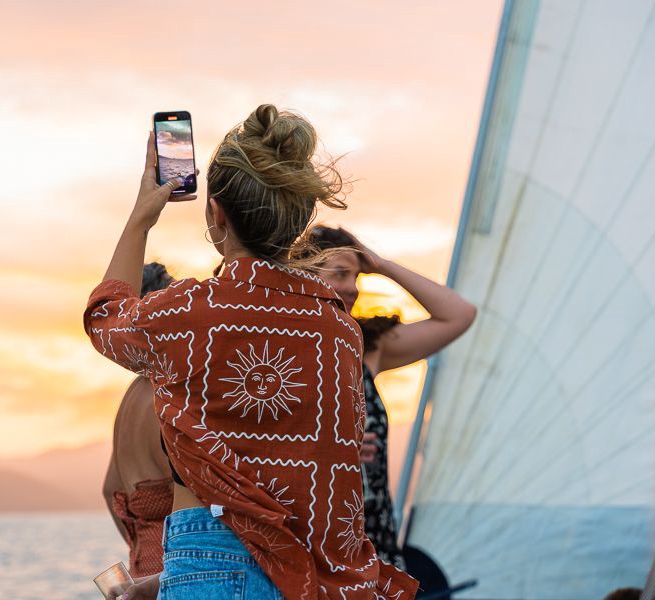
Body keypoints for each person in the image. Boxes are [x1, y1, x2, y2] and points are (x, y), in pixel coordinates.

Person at [84, 104, 418, 599]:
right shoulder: (338, 330)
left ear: (215, 213)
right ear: (299, 221)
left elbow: (106, 317)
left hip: (210, 566)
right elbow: (307, 514)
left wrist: (142, 215)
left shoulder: (191, 314)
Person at [309, 225, 476, 568]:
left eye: (357, 276)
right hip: (318, 543)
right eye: (340, 274)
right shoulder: (281, 350)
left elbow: (459, 315)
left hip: (374, 541)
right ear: (307, 275)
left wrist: (381, 265)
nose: (353, 287)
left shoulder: (368, 346)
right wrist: (336, 452)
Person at [102, 262, 175, 578]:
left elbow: (109, 489)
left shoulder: (132, 394)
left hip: (140, 569)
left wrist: (142, 549)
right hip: (173, 575)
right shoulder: (168, 391)